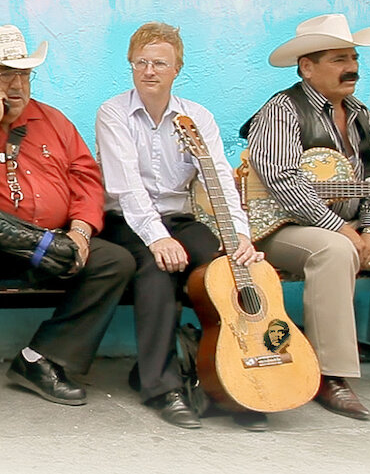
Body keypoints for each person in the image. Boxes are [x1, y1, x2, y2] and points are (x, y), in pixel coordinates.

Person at [0, 24, 135, 417]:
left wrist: (80, 232)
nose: (17, 85)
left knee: (116, 261)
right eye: (5, 75)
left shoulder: (53, 121)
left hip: (48, 242)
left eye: (24, 74)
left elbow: (86, 179)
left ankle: (42, 359)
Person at [95, 22, 267, 431]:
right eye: (141, 62)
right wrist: (158, 238)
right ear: (130, 65)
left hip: (179, 219)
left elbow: (219, 177)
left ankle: (232, 375)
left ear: (177, 69)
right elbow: (126, 187)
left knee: (226, 269)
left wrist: (239, 236)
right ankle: (161, 386)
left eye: (159, 63)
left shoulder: (197, 116)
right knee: (157, 269)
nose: (149, 71)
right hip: (125, 222)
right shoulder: (113, 113)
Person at [247, 13, 370, 420]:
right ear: (307, 67)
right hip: (283, 229)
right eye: (339, 59)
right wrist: (341, 229)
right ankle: (330, 374)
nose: (352, 67)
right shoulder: (283, 110)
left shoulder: (360, 114)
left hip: (350, 227)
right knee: (335, 251)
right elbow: (281, 179)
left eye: (353, 57)